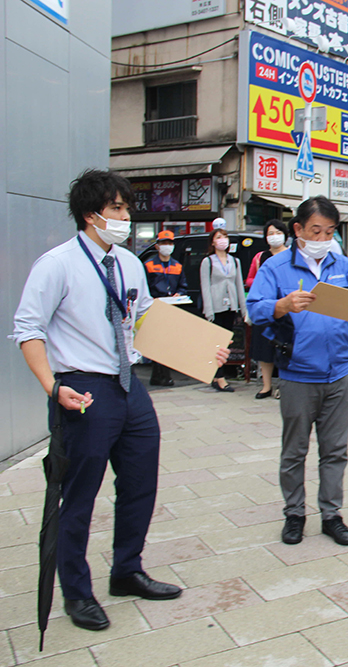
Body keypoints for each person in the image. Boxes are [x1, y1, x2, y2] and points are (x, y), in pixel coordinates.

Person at [12, 169, 228, 632]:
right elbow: (27, 330)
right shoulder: (57, 264)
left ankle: (126, 570)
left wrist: (202, 348)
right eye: (118, 208)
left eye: (127, 208)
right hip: (84, 387)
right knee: (80, 495)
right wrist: (53, 386)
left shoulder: (129, 262)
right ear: (91, 215)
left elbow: (146, 315)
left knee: (139, 484)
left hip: (130, 386)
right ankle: (76, 591)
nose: (126, 216)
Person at [246, 196, 348, 546]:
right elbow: (255, 308)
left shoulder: (341, 264)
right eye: (316, 230)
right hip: (298, 373)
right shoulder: (276, 268)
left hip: (339, 372)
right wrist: (281, 305)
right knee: (294, 450)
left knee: (335, 450)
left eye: (329, 231)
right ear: (297, 230)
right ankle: (294, 514)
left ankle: (332, 515)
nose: (322, 238)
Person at [200, 228, 248, 392]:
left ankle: (215, 375)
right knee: (216, 343)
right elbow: (205, 286)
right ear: (212, 242)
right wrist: (208, 311)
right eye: (219, 237)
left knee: (225, 342)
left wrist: (243, 309)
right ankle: (219, 377)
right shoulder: (208, 261)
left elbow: (238, 285)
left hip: (231, 305)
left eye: (225, 237)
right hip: (215, 305)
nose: (222, 240)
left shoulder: (234, 261)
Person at [245, 220, 289, 399]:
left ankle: (282, 385)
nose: (274, 236)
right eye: (270, 233)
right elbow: (248, 280)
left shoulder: (292, 256)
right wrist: (262, 284)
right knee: (264, 348)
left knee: (283, 347)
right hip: (264, 307)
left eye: (278, 232)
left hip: (285, 308)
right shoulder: (259, 257)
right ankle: (266, 385)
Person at [143, 230, 187, 386]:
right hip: (155, 306)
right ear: (157, 246)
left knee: (168, 342)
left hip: (172, 307)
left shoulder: (177, 266)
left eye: (169, 243)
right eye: (163, 243)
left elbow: (183, 286)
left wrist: (179, 294)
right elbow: (144, 287)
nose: (167, 246)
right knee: (157, 342)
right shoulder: (148, 265)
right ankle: (161, 375)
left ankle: (161, 375)